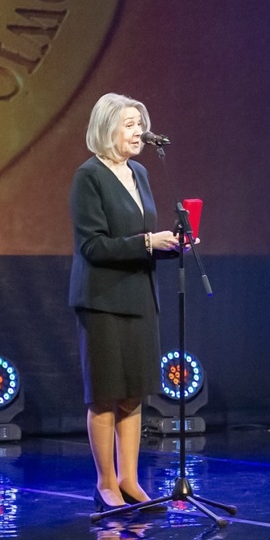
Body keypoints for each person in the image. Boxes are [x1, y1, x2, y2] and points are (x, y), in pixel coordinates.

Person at [69, 93, 182, 513]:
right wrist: (147, 242)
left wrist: (170, 246)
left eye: (140, 124)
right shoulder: (89, 177)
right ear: (107, 129)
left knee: (134, 393)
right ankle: (105, 486)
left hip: (139, 295)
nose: (139, 132)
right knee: (105, 394)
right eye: (130, 125)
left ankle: (129, 481)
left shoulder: (140, 173)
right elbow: (93, 246)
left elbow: (142, 239)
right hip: (102, 300)